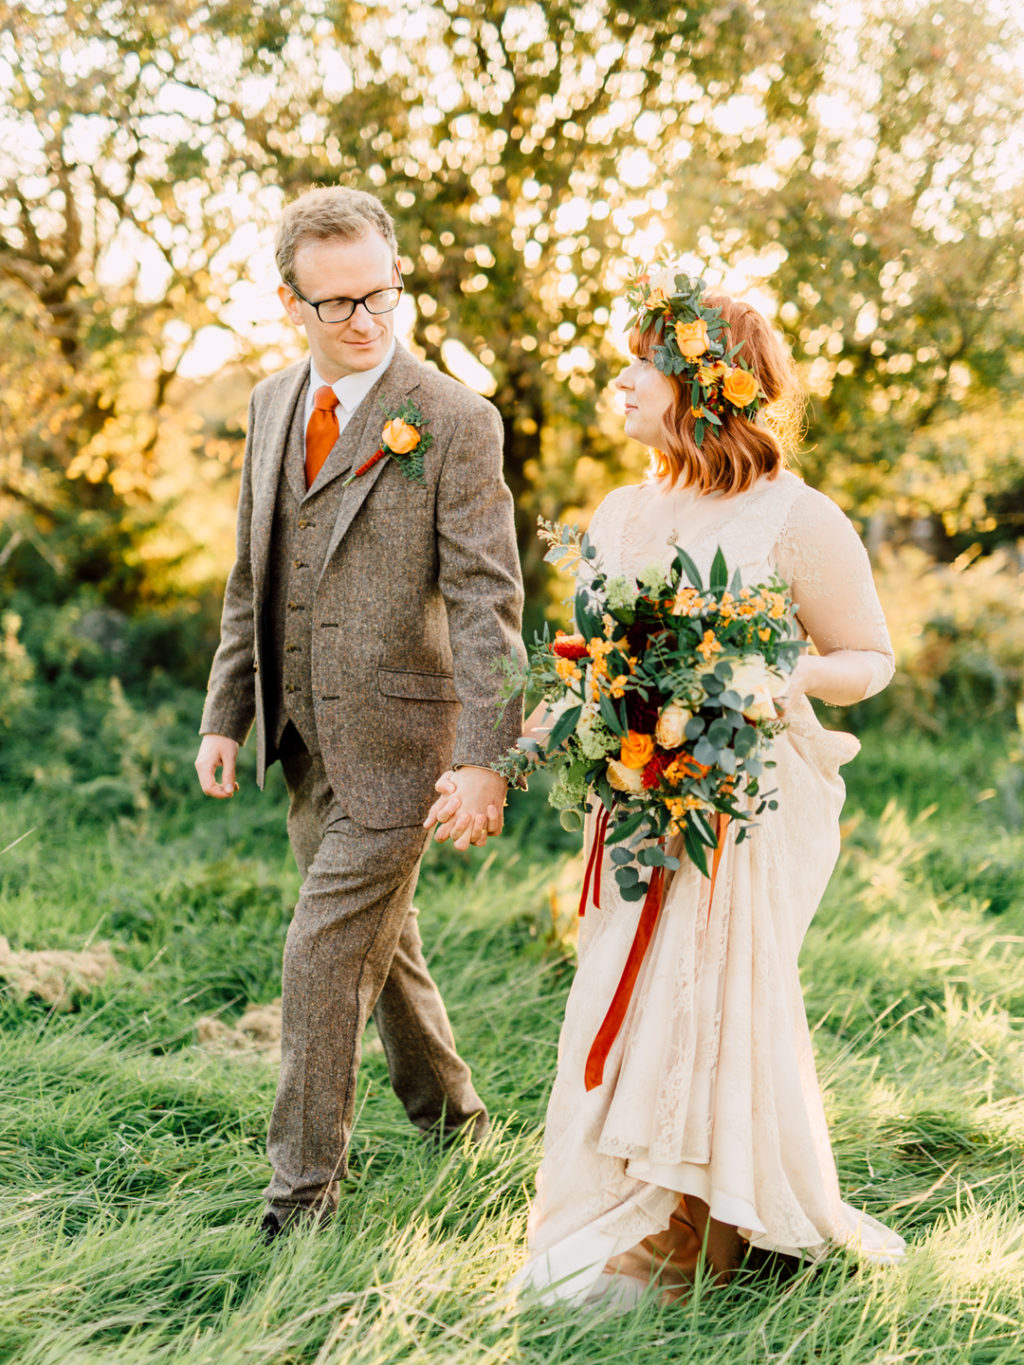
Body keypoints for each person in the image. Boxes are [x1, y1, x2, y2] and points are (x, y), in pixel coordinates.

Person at [512, 270, 905, 1306]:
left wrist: (787, 678)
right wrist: (566, 715)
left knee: (714, 998)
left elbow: (868, 657)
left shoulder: (794, 514)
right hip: (638, 796)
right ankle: (628, 1209)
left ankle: (692, 1235)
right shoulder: (617, 510)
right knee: (622, 993)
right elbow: (593, 654)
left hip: (749, 803)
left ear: (703, 383)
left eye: (640, 362)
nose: (620, 382)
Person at [195, 186, 525, 1241]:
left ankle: (301, 1200)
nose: (364, 319)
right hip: (302, 743)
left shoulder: (455, 421)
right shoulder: (268, 405)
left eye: (381, 294)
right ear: (290, 302)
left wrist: (486, 756)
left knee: (321, 956)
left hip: (403, 745)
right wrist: (227, 715)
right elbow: (252, 577)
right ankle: (458, 1121)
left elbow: (487, 602)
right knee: (388, 952)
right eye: (335, 303)